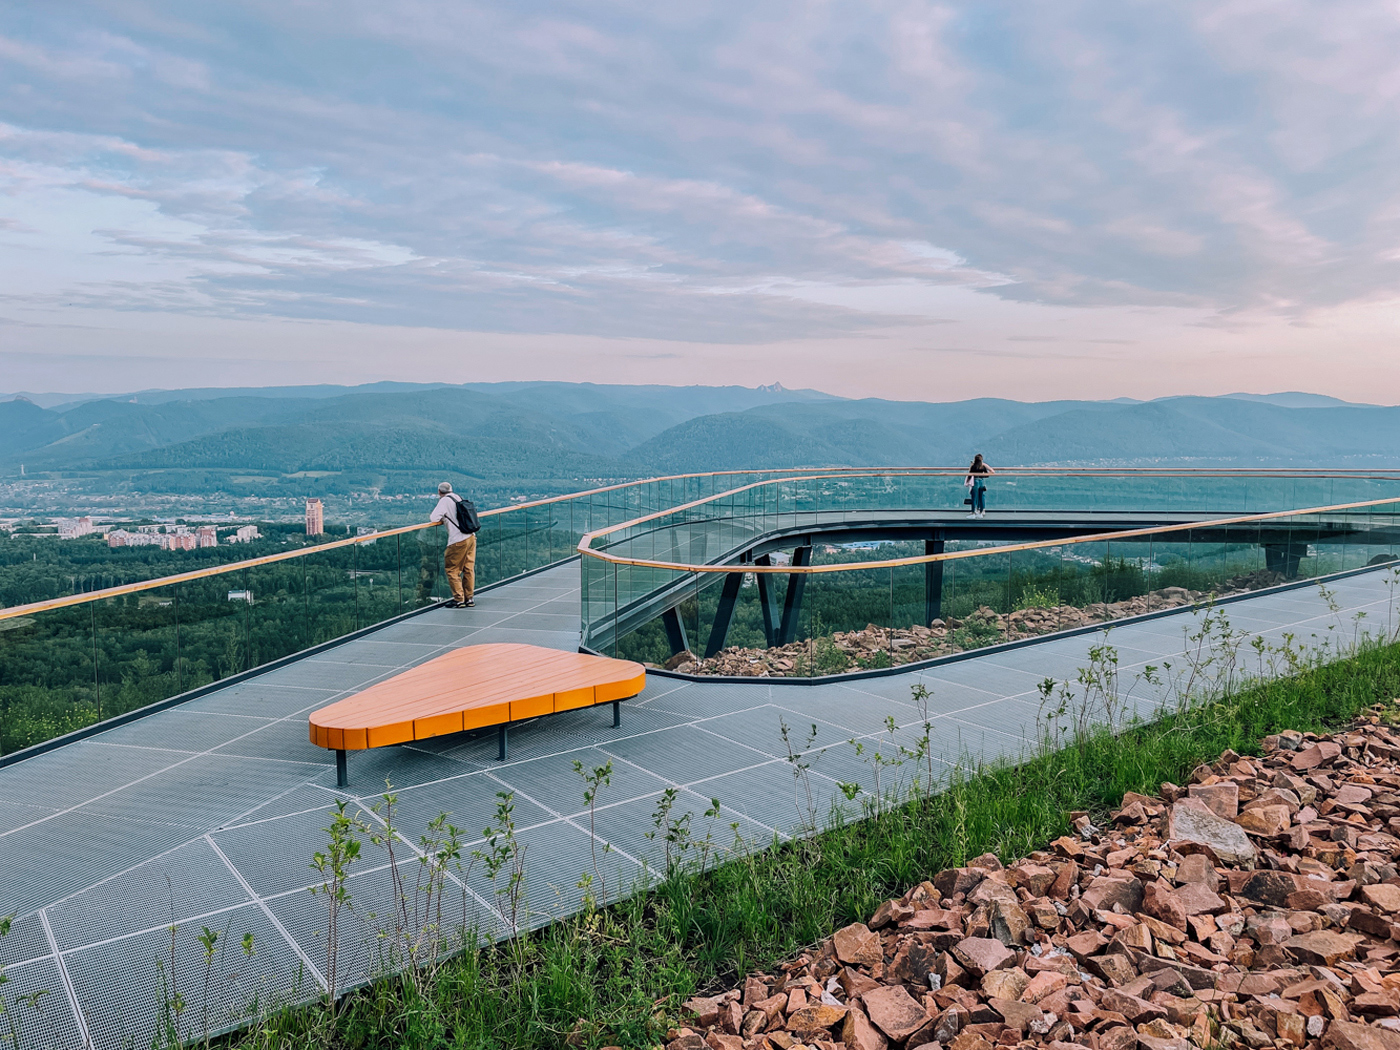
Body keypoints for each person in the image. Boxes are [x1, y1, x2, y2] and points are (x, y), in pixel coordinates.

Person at [429, 481, 477, 607]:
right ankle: (469, 598)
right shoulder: (458, 497)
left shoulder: (444, 501)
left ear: (439, 492)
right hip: (471, 537)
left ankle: (459, 599)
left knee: (452, 569)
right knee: (468, 568)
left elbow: (433, 518)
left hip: (457, 540)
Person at [965, 454, 994, 518]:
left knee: (974, 497)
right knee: (981, 496)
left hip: (975, 481)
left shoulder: (973, 466)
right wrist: (982, 475)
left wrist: (967, 481)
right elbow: (987, 474)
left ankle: (973, 512)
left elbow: (970, 474)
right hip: (981, 481)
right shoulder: (983, 466)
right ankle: (981, 512)